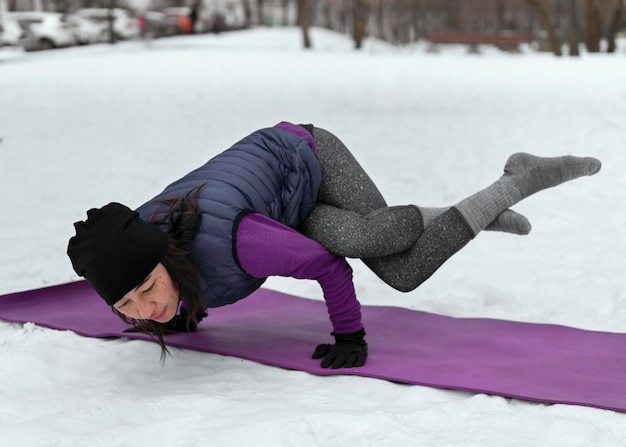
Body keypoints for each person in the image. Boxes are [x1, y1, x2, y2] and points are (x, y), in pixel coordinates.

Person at [67, 122, 601, 369]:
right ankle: (468, 216)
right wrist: (177, 310)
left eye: (147, 290)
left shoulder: (235, 245)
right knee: (391, 249)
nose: (145, 309)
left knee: (392, 259)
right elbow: (140, 278)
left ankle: (518, 178)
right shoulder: (130, 247)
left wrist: (349, 333)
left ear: (165, 257)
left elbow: (326, 265)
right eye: (126, 306)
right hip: (280, 206)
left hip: (307, 156)